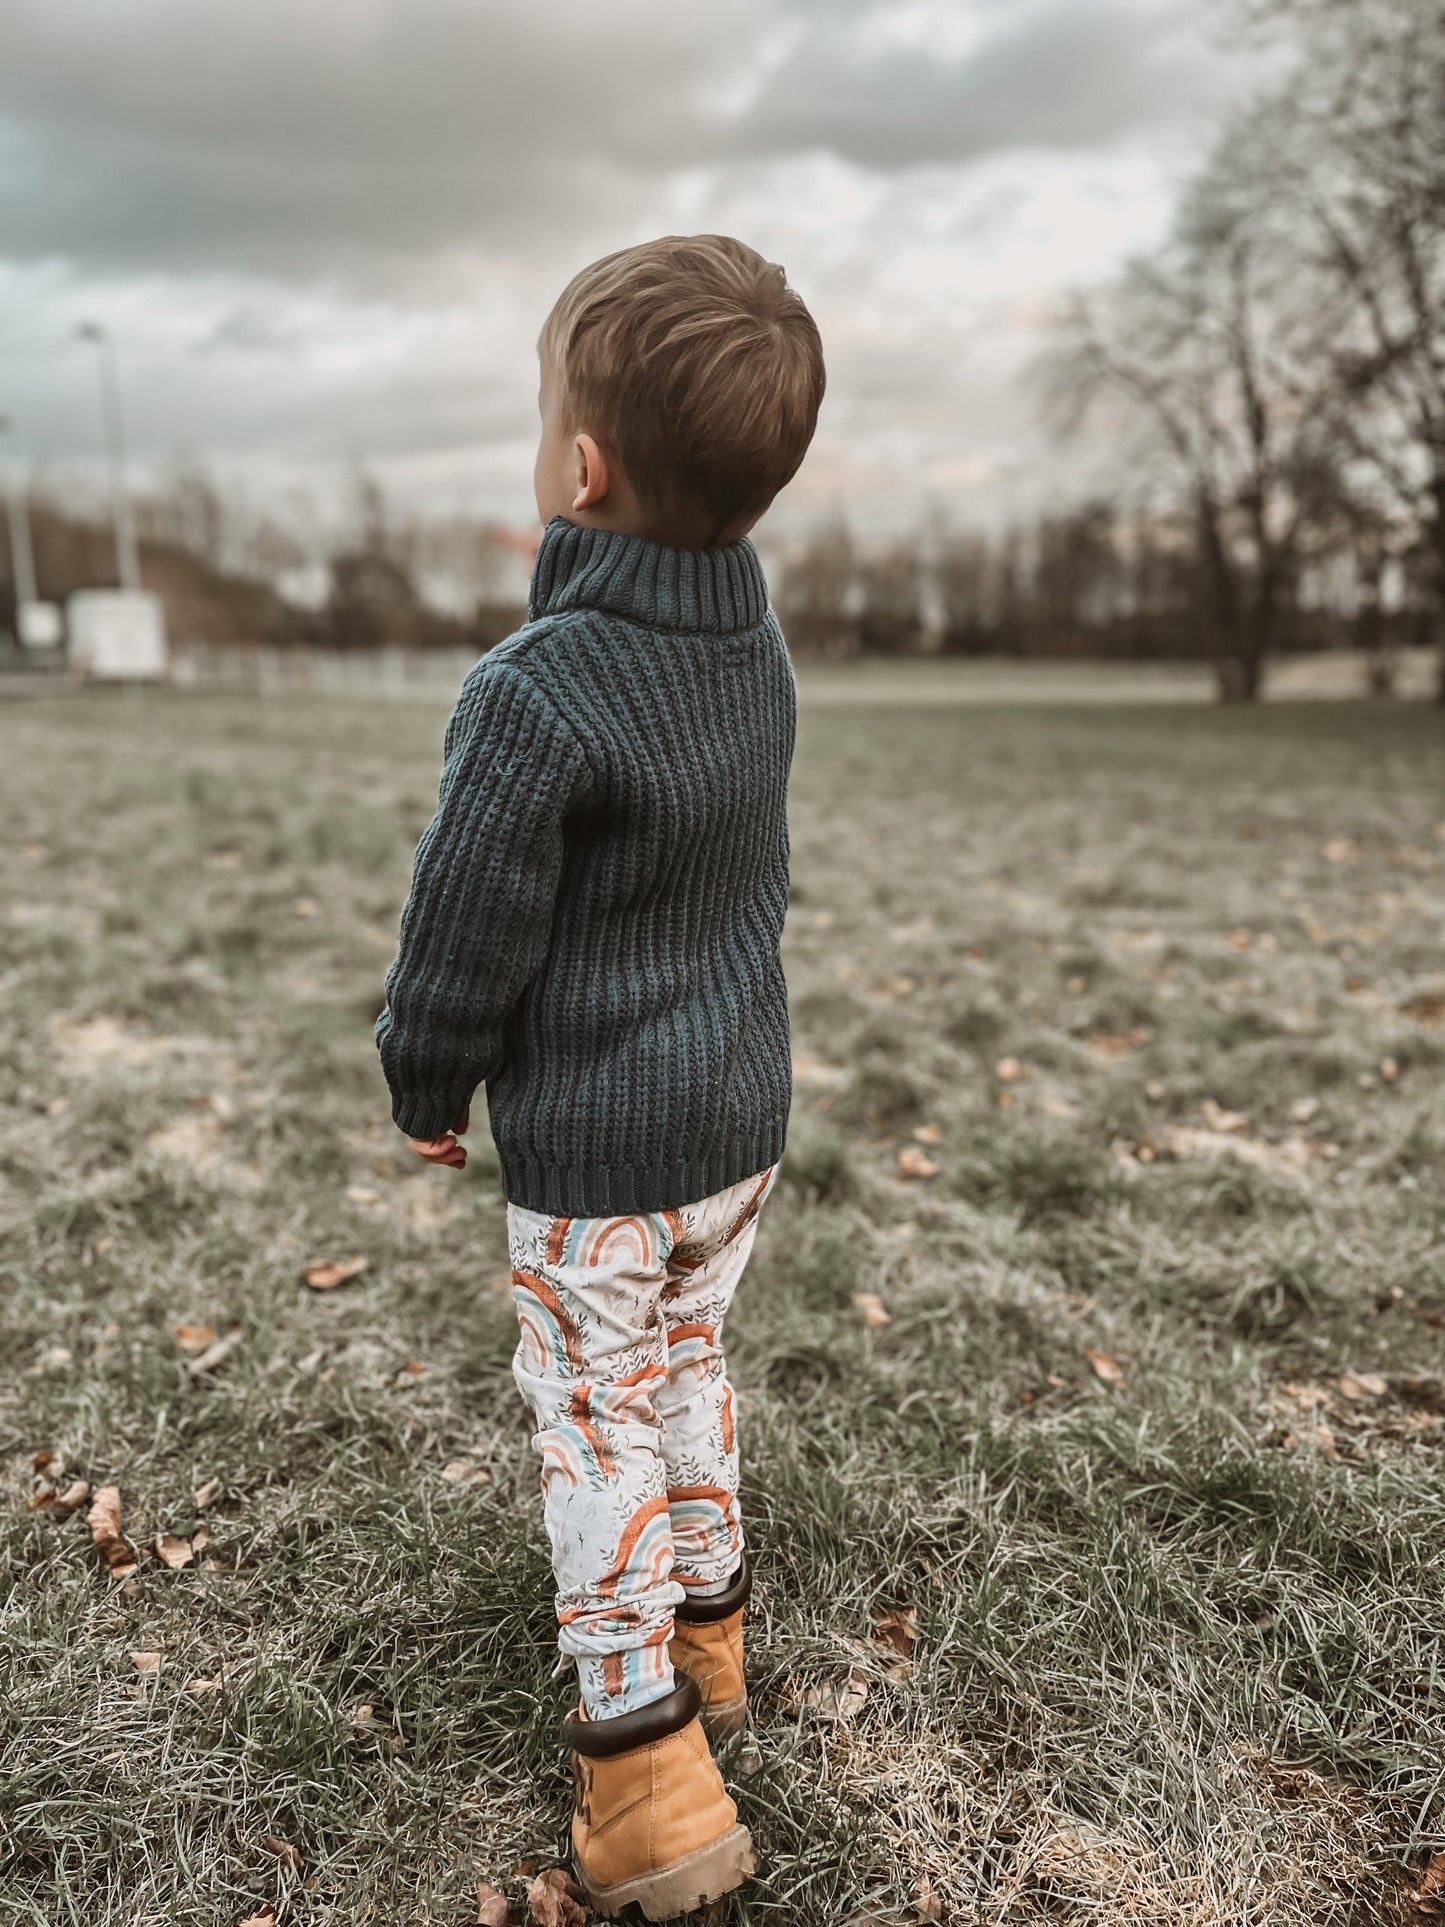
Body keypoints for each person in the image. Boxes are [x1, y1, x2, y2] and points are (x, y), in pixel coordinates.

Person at [376, 234, 824, 1919]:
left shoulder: (537, 690)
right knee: (689, 1364)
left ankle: (641, 1764)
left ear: (580, 465)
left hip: (599, 1160)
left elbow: (462, 928)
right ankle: (712, 1634)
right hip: (735, 1129)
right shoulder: (752, 653)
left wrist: (429, 1072)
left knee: (591, 1420)